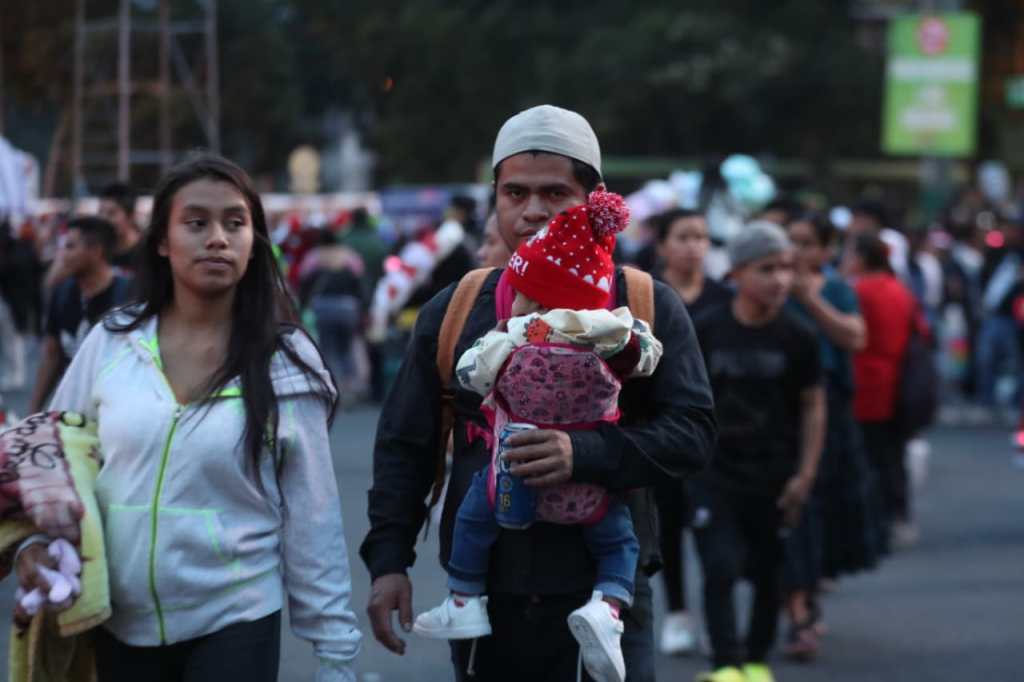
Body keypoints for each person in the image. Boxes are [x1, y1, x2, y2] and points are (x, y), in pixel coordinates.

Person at [361, 105, 717, 682]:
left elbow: (693, 434)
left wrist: (586, 453)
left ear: (595, 198)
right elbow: (405, 443)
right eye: (515, 193)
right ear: (495, 198)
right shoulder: (456, 309)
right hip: (483, 593)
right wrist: (387, 562)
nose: (532, 211)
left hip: (608, 596)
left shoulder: (647, 306)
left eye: (555, 192)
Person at [13, 155, 361, 681]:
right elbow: (57, 459)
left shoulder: (285, 360)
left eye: (235, 223)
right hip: (116, 622)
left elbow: (313, 513)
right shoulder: (113, 342)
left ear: (255, 241)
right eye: (196, 223)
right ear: (161, 240)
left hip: (236, 617)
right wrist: (33, 545)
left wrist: (335, 652)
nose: (217, 238)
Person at [413, 193, 661, 682]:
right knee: (617, 543)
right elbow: (646, 358)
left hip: (511, 480)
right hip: (594, 492)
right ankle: (608, 607)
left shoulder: (516, 333)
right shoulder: (614, 330)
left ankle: (464, 597)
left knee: (472, 519)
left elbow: (472, 375)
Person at [691, 221, 825, 682]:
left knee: (769, 573)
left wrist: (805, 475)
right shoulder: (707, 329)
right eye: (768, 268)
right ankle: (726, 664)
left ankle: (755, 660)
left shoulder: (798, 336)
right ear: (738, 274)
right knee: (721, 567)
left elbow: (813, 406)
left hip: (775, 474)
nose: (781, 279)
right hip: (715, 471)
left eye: (788, 268)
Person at [781, 213, 881, 660]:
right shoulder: (771, 285)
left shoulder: (837, 289)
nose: (798, 253)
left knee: (824, 505)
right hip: (780, 411)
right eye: (792, 242)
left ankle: (807, 592)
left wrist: (812, 301)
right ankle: (797, 608)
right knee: (792, 507)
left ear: (825, 250)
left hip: (831, 413)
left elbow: (854, 338)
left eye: (807, 244)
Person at [650, 207, 731, 655]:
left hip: (714, 432)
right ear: (663, 245)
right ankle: (678, 612)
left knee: (713, 529)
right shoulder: (644, 294)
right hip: (658, 430)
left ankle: (719, 616)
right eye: (683, 237)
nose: (694, 246)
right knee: (668, 526)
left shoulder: (722, 297)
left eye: (701, 237)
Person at [843, 234, 919, 549]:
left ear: (861, 258)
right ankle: (897, 516)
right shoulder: (900, 290)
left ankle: (873, 525)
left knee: (869, 459)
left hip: (867, 383)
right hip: (898, 380)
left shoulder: (859, 291)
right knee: (891, 456)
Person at [27, 216, 131, 413]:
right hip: (73, 412)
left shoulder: (128, 295)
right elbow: (52, 356)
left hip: (115, 413)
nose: (62, 255)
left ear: (95, 251)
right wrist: (33, 413)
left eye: (70, 246)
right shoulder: (62, 293)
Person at [98, 182, 144, 273]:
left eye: (111, 213)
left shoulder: (148, 253)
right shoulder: (98, 251)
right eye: (100, 212)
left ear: (131, 216)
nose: (103, 219)